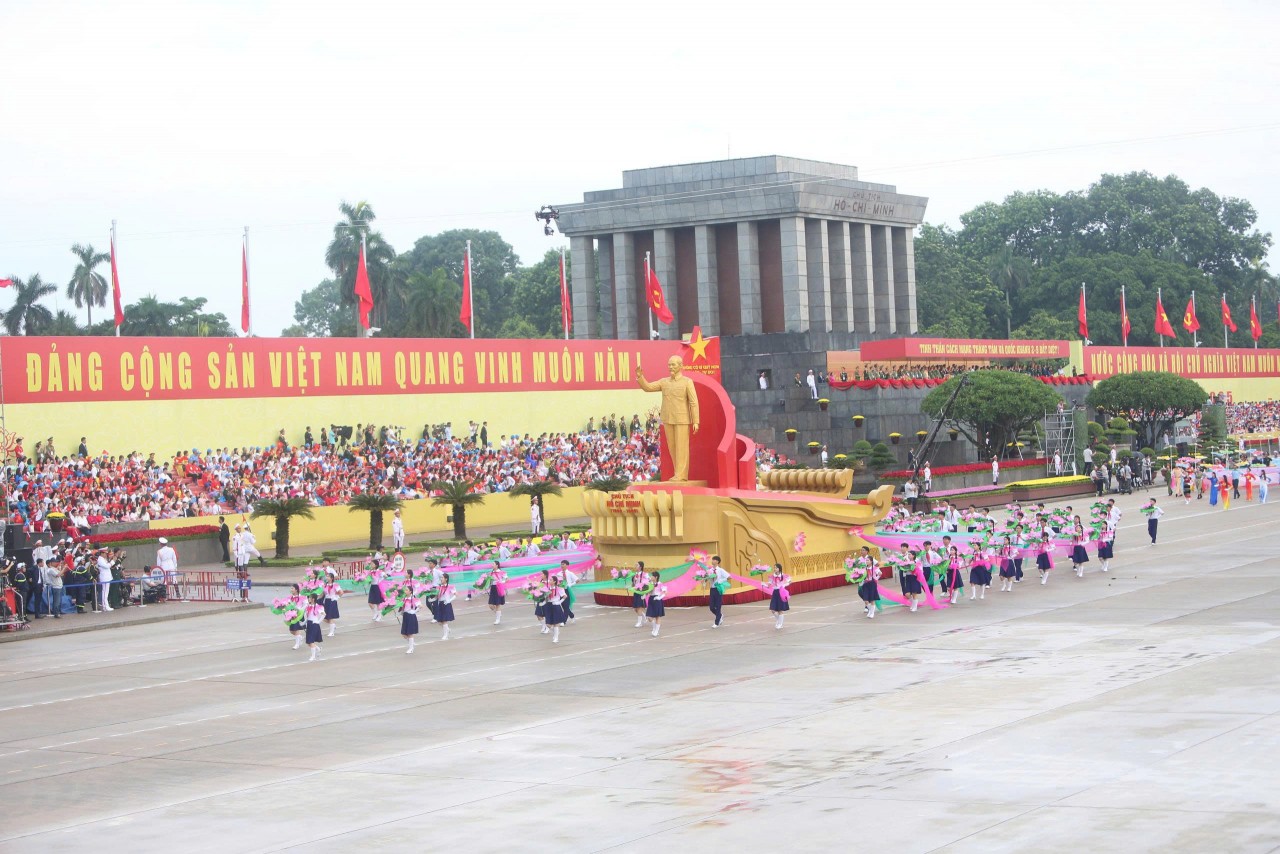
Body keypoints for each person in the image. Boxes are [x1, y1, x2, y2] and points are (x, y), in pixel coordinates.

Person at [637, 355, 700, 482]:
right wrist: (640, 377)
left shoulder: (687, 382)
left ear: (681, 366)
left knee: (681, 448)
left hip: (682, 419)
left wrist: (696, 421)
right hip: (667, 418)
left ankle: (681, 475)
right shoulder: (664, 382)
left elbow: (693, 402)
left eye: (673, 364)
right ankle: (678, 473)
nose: (670, 367)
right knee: (672, 448)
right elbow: (648, 387)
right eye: (669, 364)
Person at [765, 564, 791, 629]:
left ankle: (780, 624)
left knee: (780, 610)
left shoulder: (783, 576)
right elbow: (769, 584)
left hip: (781, 592)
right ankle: (779, 621)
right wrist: (764, 585)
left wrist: (784, 585)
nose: (775, 569)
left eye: (776, 568)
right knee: (772, 609)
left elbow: (789, 581)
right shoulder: (772, 576)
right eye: (774, 568)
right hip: (775, 593)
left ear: (779, 569)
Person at [707, 555, 729, 628]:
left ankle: (716, 622)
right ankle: (719, 615)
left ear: (717, 561)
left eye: (714, 560)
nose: (712, 561)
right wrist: (704, 579)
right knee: (711, 607)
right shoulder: (710, 570)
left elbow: (729, 577)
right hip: (712, 589)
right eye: (712, 559)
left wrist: (720, 581)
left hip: (718, 588)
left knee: (718, 605)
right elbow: (707, 578)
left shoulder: (720, 570)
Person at [545, 575, 569, 643]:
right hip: (549, 605)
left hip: (556, 605)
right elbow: (545, 597)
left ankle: (556, 638)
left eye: (551, 580)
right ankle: (556, 632)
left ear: (554, 581)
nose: (549, 581)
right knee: (548, 624)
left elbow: (565, 596)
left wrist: (559, 602)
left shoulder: (559, 588)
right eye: (549, 580)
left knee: (556, 622)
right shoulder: (547, 588)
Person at [644, 571, 667, 637]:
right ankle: (654, 628)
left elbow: (665, 592)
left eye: (652, 576)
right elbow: (648, 591)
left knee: (657, 616)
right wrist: (644, 595)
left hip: (657, 600)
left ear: (656, 577)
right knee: (649, 617)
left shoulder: (660, 584)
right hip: (651, 599)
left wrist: (659, 598)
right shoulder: (650, 584)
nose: (651, 577)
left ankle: (656, 631)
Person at [436, 573, 456, 640]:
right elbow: (438, 596)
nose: (441, 579)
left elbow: (455, 594)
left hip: (446, 603)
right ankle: (447, 629)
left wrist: (449, 600)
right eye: (441, 578)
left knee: (444, 620)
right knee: (439, 621)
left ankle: (445, 635)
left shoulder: (450, 586)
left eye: (442, 578)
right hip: (440, 604)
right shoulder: (439, 587)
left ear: (446, 579)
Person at [304, 594, 325, 661]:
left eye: (309, 598)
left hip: (314, 624)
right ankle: (318, 649)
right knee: (308, 642)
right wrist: (304, 623)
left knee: (311, 641)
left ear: (313, 599)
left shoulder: (318, 606)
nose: (308, 599)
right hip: (309, 624)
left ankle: (313, 656)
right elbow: (307, 616)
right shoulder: (308, 606)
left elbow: (324, 614)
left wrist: (318, 622)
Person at [630, 561, 651, 628]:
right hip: (636, 592)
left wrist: (645, 593)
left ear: (640, 567)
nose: (635, 566)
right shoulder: (634, 574)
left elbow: (649, 583)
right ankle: (644, 616)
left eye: (637, 565)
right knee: (635, 608)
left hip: (641, 592)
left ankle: (639, 623)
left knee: (639, 607)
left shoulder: (645, 574)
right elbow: (633, 584)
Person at [96, 548, 114, 612]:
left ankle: (106, 606)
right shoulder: (100, 560)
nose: (106, 554)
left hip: (107, 577)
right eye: (105, 553)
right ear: (102, 553)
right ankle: (105, 606)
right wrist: (112, 562)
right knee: (105, 592)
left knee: (106, 592)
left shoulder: (103, 559)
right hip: (104, 578)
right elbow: (106, 566)